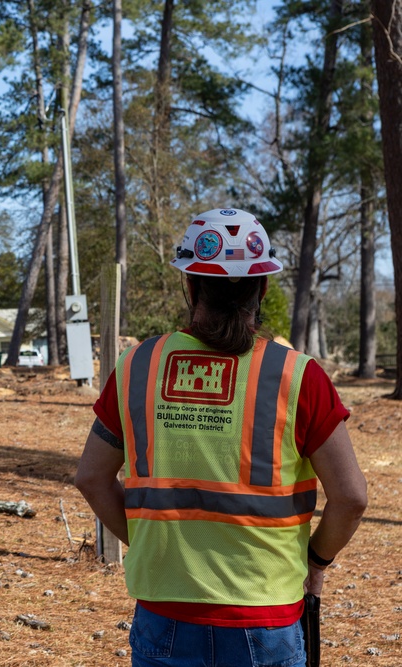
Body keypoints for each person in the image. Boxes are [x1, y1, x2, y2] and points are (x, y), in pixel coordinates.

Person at [74, 208, 368, 667]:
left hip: (164, 620)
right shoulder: (298, 377)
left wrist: (158, 544)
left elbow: (91, 478)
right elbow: (351, 497)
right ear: (263, 287)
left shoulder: (137, 367)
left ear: (190, 285)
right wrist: (316, 563)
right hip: (266, 620)